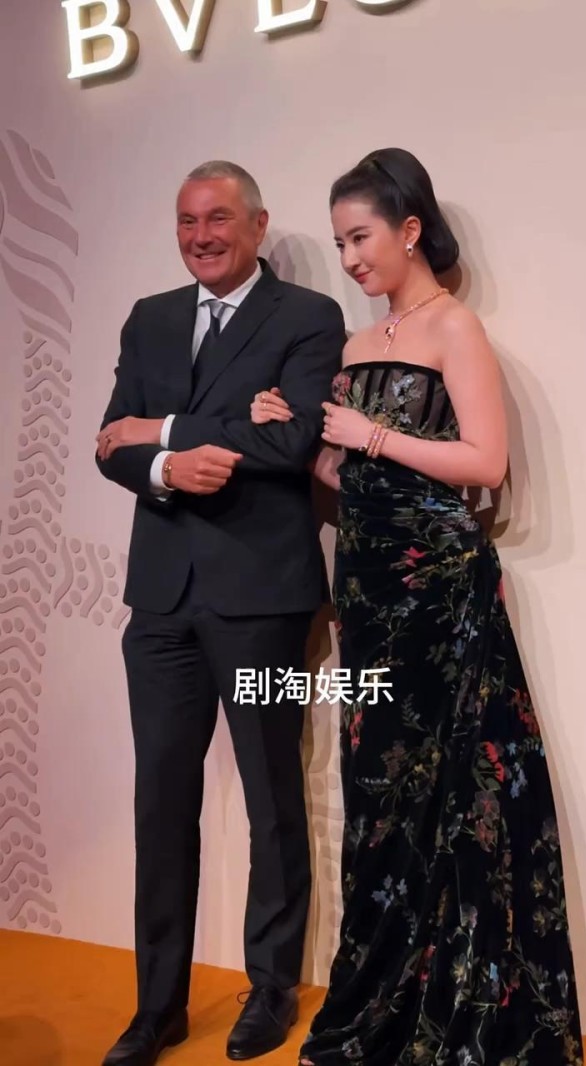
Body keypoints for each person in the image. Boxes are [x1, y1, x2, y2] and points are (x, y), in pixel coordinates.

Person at [251, 148, 583, 1066]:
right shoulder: (356, 347)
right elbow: (351, 479)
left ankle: (462, 1015)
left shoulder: (454, 329)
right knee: (380, 795)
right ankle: (387, 1003)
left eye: (361, 237)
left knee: (453, 793)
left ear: (408, 230)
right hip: (366, 590)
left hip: (441, 592)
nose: (350, 258)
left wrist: (369, 435)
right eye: (339, 243)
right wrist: (305, 440)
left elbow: (485, 462)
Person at [94, 160, 346, 1066]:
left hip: (261, 598)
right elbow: (109, 439)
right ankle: (156, 1005)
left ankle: (270, 989)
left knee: (274, 796)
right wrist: (166, 466)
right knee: (161, 802)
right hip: (160, 600)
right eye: (187, 221)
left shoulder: (308, 316)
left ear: (257, 224)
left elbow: (293, 438)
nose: (200, 236)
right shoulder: (150, 317)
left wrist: (162, 432)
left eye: (218, 219)